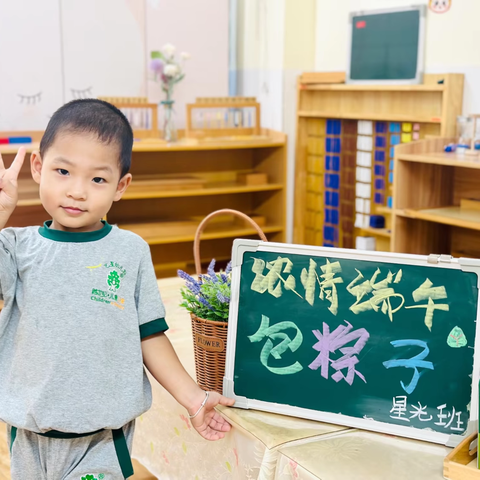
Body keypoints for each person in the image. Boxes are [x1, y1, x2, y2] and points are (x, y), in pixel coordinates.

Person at [0, 99, 235, 479]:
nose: (77, 191)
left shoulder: (130, 251)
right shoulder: (15, 246)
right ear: (38, 168)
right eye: (62, 171)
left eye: (97, 179)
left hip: (103, 440)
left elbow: (149, 335)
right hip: (29, 436)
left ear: (120, 186)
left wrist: (195, 398)